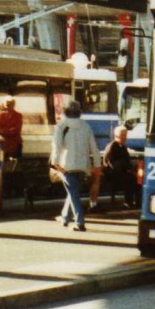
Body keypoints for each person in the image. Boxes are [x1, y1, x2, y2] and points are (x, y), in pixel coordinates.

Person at [50, 99, 99, 231]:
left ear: (65, 111)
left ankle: (80, 222)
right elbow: (94, 147)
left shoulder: (61, 126)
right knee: (73, 191)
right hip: (83, 166)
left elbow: (57, 146)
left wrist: (54, 162)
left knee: (73, 193)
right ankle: (65, 217)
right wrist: (97, 165)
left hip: (66, 165)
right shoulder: (86, 126)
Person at [102, 125, 138, 209]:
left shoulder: (122, 146)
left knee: (136, 178)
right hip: (112, 175)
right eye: (123, 135)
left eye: (125, 135)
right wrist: (130, 170)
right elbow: (113, 165)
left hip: (119, 172)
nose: (125, 138)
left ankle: (134, 202)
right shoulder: (113, 147)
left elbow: (127, 162)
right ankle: (129, 202)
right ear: (116, 136)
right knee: (132, 179)